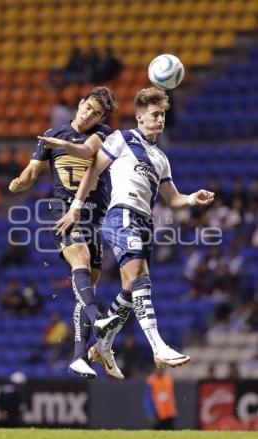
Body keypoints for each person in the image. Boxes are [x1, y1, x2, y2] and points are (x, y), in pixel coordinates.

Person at [55, 87, 215, 370]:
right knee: (141, 278)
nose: (160, 120)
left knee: (131, 287)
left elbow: (173, 199)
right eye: (155, 114)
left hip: (145, 221)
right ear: (140, 117)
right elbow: (93, 168)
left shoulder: (161, 158)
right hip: (121, 215)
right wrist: (77, 204)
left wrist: (193, 198)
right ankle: (158, 346)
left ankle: (102, 346)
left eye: (163, 115)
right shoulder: (122, 138)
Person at [9, 87, 120, 379]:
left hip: (94, 215)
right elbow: (32, 172)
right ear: (80, 103)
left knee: (88, 290)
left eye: (96, 113)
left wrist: (60, 143)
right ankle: (99, 321)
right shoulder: (51, 134)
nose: (89, 114)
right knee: (80, 260)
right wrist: (20, 182)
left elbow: (85, 151)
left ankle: (77, 357)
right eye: (88, 108)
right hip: (63, 211)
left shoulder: (104, 134)